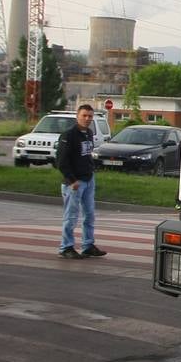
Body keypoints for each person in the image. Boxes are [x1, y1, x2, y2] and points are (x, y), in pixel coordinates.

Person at [56, 104, 106, 259]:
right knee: (71, 216)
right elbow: (61, 161)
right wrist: (71, 180)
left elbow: (87, 155)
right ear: (77, 116)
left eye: (90, 116)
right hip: (75, 182)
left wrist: (91, 171)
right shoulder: (68, 135)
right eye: (84, 115)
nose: (87, 119)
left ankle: (88, 245)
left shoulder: (89, 133)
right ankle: (66, 247)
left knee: (89, 214)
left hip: (88, 179)